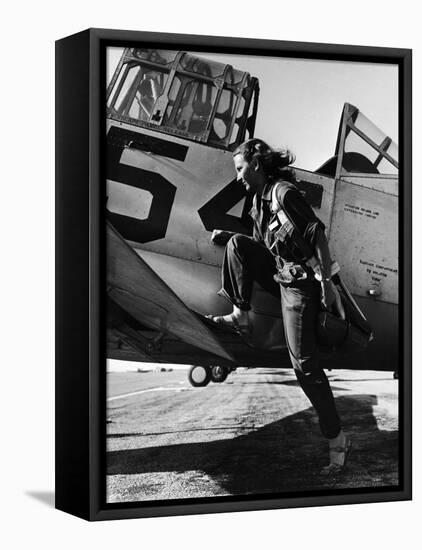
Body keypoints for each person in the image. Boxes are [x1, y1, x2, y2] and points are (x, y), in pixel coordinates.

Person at [207, 138, 351, 475]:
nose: (238, 176)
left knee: (304, 366)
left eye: (240, 169)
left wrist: (327, 286)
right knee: (238, 244)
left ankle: (337, 438)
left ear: (256, 165)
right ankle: (241, 313)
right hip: (279, 275)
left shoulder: (283, 193)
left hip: (301, 285)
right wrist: (226, 236)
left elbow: (317, 234)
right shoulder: (257, 202)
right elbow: (261, 247)